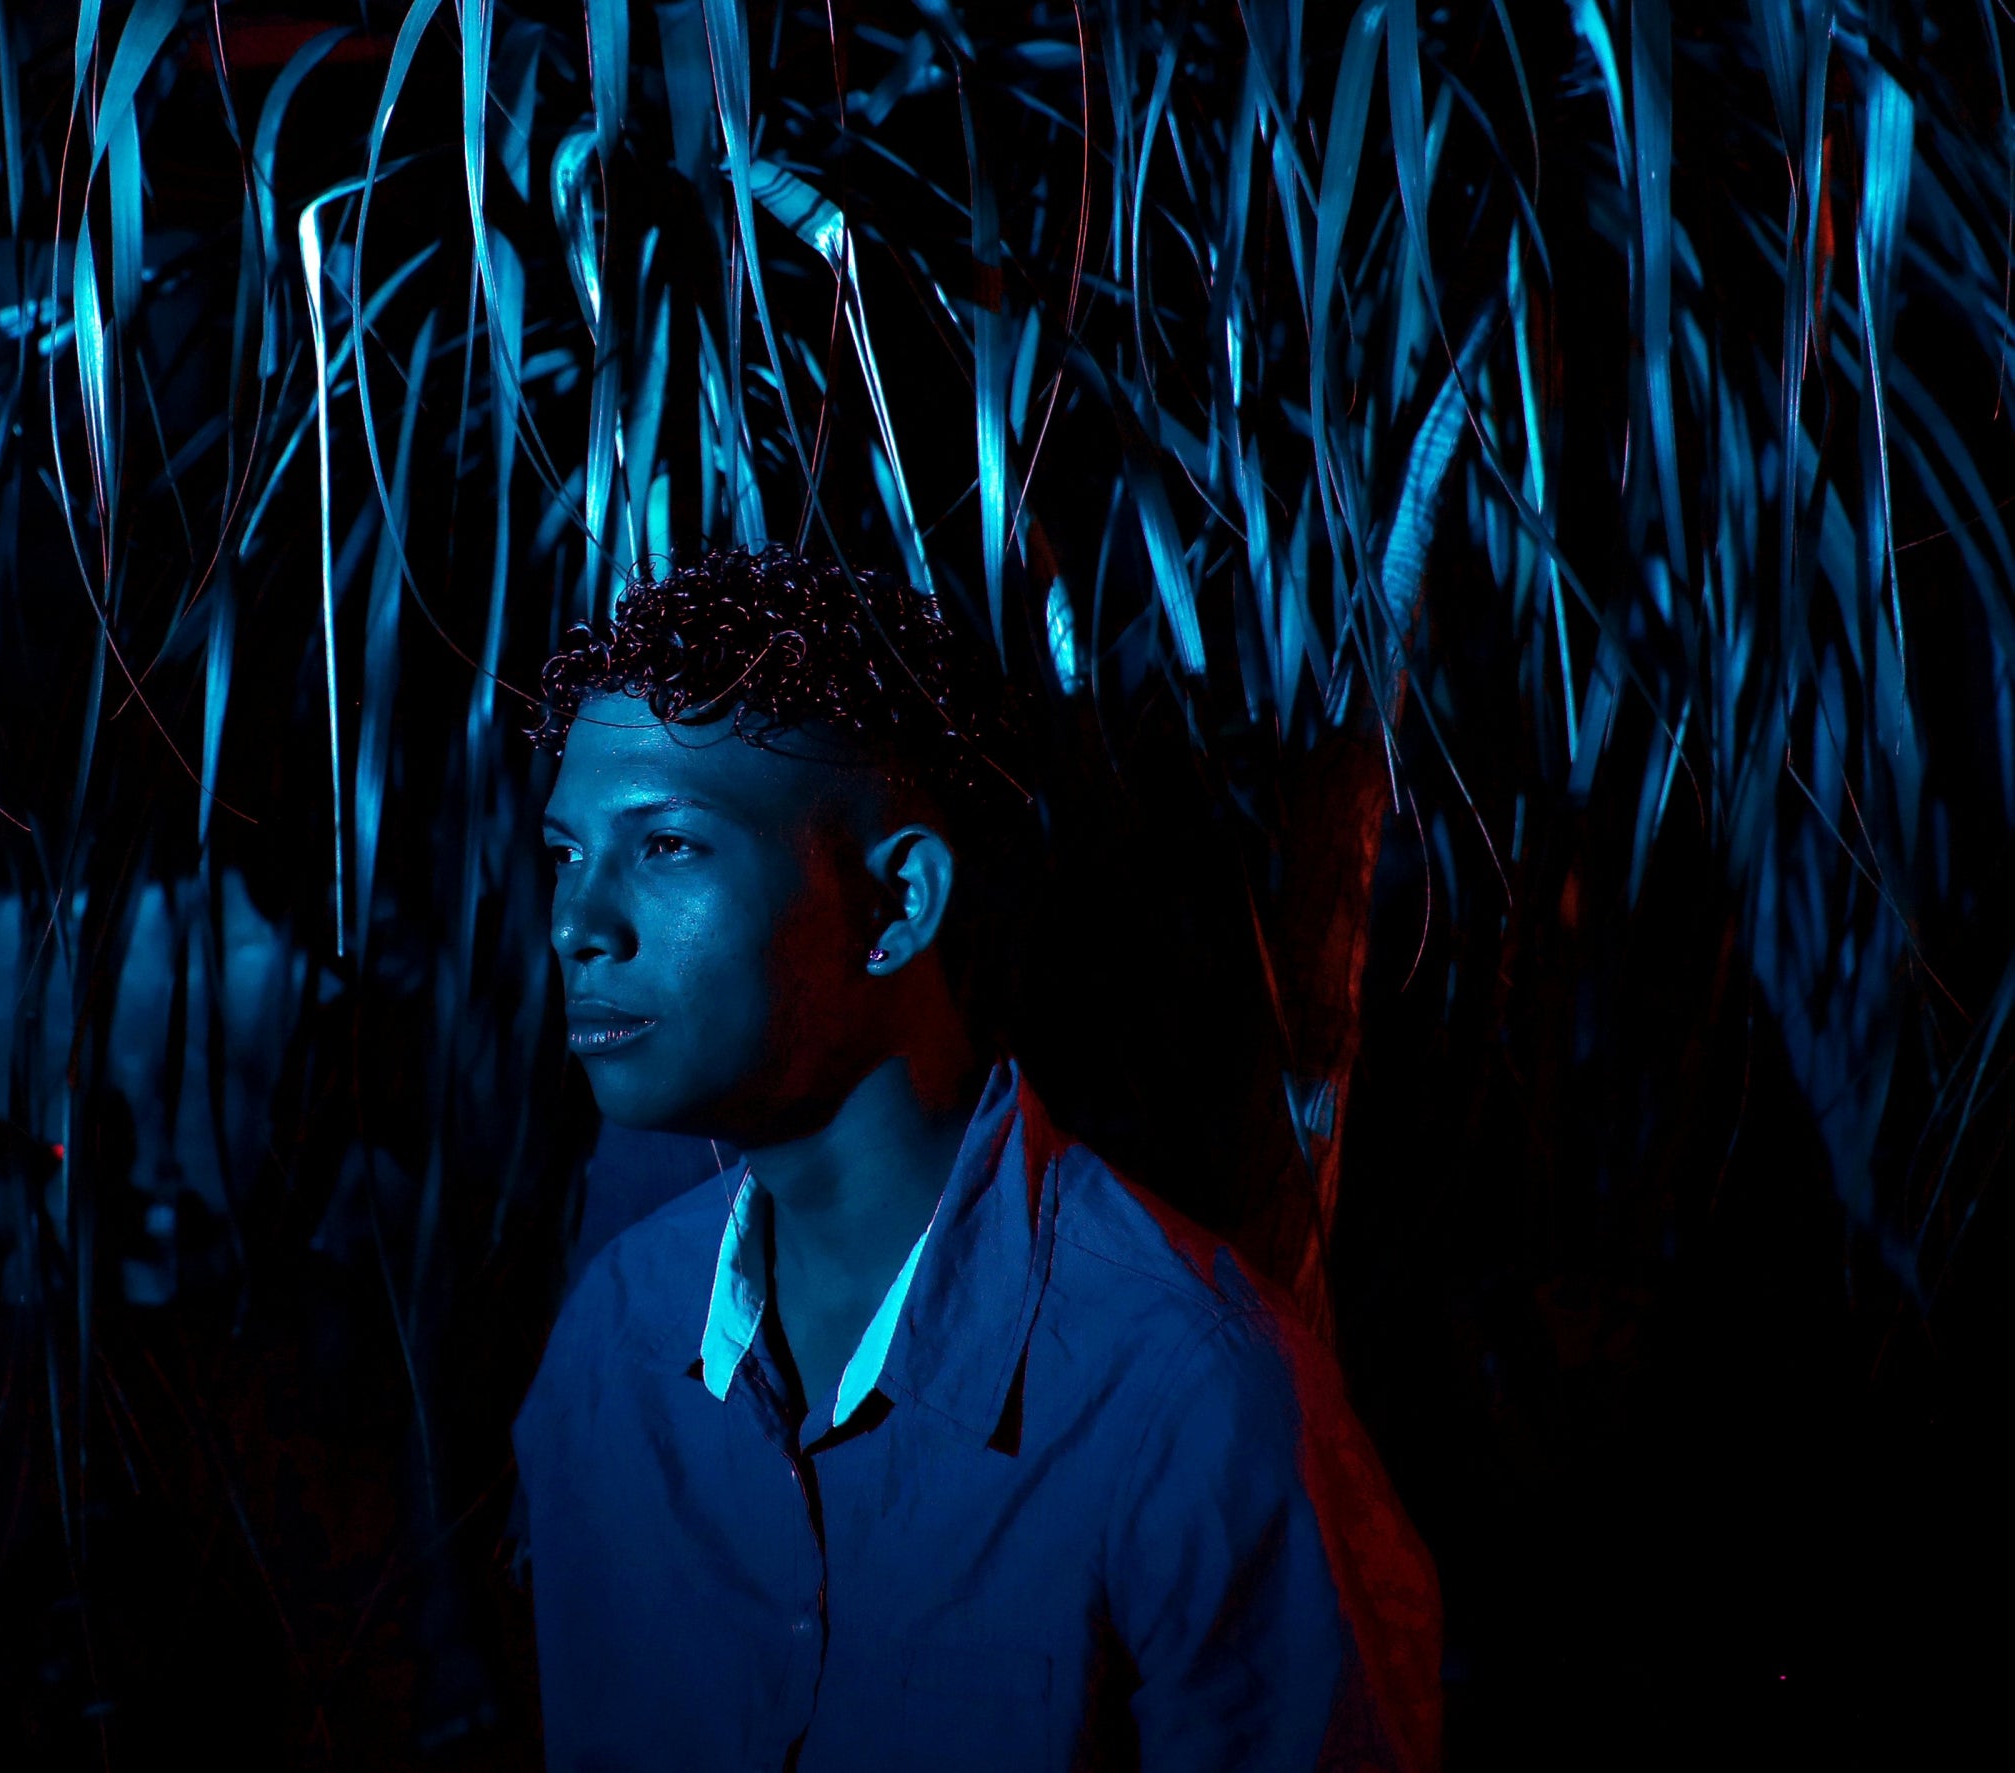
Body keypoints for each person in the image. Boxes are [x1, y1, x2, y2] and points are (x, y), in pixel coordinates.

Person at [511, 548, 1440, 1770]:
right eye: (568, 851)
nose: (580, 923)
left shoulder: (1188, 1400)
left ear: (899, 904)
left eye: (670, 846)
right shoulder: (615, 1349)